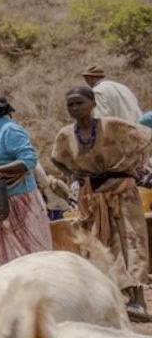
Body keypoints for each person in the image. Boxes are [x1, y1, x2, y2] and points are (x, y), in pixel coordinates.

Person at [51, 85, 152, 320]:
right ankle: (109, 299)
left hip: (122, 194)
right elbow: (57, 158)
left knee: (131, 244)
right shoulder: (66, 135)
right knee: (99, 245)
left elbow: (145, 138)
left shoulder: (113, 126)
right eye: (70, 104)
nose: (75, 108)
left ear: (92, 103)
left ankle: (138, 301)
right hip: (93, 197)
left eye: (79, 103)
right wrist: (75, 174)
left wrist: (133, 167)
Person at [0, 93, 53, 269]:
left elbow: (28, 161)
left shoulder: (10, 129)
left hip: (21, 202)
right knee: (3, 259)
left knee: (31, 255)